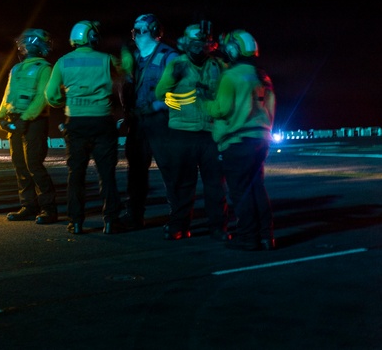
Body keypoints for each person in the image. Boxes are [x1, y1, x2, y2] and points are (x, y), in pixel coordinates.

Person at [45, 20, 125, 235]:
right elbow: (123, 84)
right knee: (107, 174)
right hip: (102, 121)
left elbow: (51, 95)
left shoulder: (63, 62)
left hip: (76, 123)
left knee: (76, 174)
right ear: (92, 37)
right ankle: (111, 221)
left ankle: (76, 222)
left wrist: (66, 102)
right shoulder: (107, 60)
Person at [154, 22, 229, 241]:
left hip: (210, 134)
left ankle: (218, 227)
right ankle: (180, 225)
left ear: (210, 44)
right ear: (187, 43)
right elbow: (160, 94)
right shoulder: (177, 65)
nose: (198, 48)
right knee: (182, 185)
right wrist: (179, 100)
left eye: (202, 43)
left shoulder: (220, 66)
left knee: (215, 185)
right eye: (195, 43)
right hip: (182, 134)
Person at [204, 30, 277, 251]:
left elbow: (221, 109)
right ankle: (266, 237)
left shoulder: (231, 76)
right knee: (257, 189)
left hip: (237, 141)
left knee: (240, 191)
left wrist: (204, 102)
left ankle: (247, 237)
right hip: (260, 140)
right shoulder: (262, 76)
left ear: (234, 49)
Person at [117, 14, 179, 231]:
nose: (135, 34)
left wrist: (156, 106)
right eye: (134, 29)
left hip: (162, 123)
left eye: (141, 29)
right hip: (138, 123)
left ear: (154, 31)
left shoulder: (169, 57)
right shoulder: (133, 59)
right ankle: (134, 216)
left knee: (170, 171)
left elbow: (179, 95)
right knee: (135, 173)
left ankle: (178, 218)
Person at [0, 28, 59, 225]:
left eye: (27, 43)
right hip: (17, 119)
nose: (24, 47)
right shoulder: (17, 69)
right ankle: (29, 206)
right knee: (20, 166)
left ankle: (48, 209)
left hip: (34, 123)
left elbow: (43, 97)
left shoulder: (45, 68)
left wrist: (25, 119)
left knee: (34, 165)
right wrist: (1, 116)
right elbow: (8, 95)